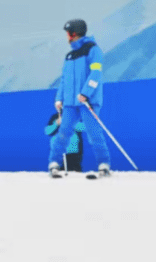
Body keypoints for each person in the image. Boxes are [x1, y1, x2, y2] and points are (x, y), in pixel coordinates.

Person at [48, 19, 111, 178]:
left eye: (68, 33)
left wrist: (86, 93)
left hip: (87, 100)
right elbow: (64, 79)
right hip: (70, 102)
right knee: (63, 132)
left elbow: (96, 73)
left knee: (93, 132)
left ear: (74, 33)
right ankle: (54, 163)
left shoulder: (93, 50)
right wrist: (59, 98)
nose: (67, 37)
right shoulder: (69, 56)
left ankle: (103, 164)